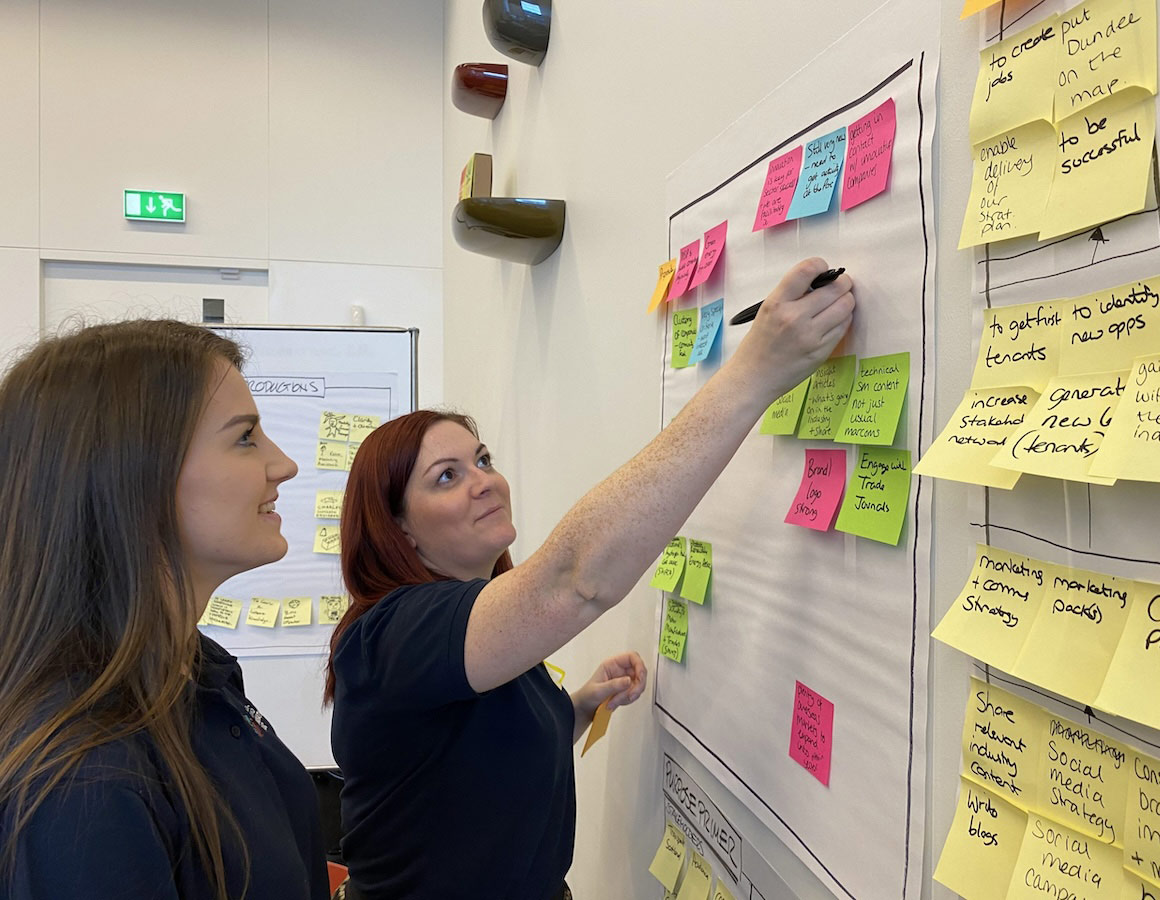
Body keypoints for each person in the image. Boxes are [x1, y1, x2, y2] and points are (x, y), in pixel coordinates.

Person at [325, 257, 855, 900]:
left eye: (482, 460)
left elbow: (467, 758)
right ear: (399, 529)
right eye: (447, 476)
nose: (485, 481)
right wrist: (754, 372)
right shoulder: (390, 636)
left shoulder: (481, 628)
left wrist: (574, 708)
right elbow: (576, 580)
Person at [0, 320, 327, 900]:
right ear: (135, 473)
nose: (283, 465)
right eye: (246, 436)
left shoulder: (198, 672)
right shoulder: (83, 782)